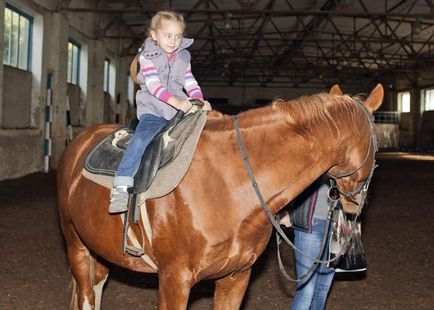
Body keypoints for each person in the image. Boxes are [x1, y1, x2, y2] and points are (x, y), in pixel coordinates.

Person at [109, 11, 211, 213]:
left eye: (178, 36)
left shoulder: (183, 56)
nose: (173, 41)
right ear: (154, 35)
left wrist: (199, 100)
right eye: (168, 35)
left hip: (179, 109)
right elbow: (155, 87)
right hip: (154, 109)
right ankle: (120, 185)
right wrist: (178, 102)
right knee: (141, 138)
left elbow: (189, 80)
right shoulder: (148, 57)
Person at [282, 175, 336, 310]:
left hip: (337, 226)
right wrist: (284, 210)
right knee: (306, 292)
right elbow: (288, 174)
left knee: (323, 289)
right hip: (311, 223)